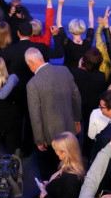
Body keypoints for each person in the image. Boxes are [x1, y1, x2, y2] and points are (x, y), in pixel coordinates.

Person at [25, 47, 82, 178]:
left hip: (49, 136)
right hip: (69, 128)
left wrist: (39, 140)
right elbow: (76, 97)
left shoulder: (33, 84)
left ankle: (48, 191)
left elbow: (35, 115)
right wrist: (77, 120)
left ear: (31, 63)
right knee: (71, 164)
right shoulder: (64, 70)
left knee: (48, 168)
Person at [37, 131, 85, 198]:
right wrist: (48, 184)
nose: (55, 152)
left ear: (65, 153)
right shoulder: (68, 164)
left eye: (56, 150)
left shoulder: (71, 178)